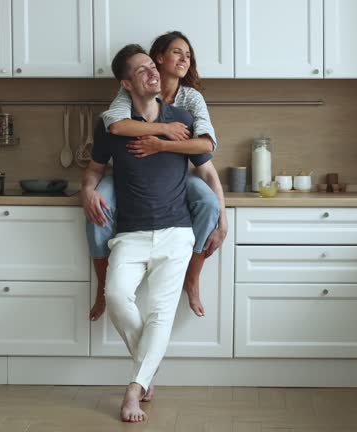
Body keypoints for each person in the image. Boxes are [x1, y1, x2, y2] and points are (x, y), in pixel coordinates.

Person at [81, 44, 225, 423]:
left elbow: (208, 171)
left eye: (152, 66)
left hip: (177, 233)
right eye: (141, 69)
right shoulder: (112, 124)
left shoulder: (182, 117)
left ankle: (133, 390)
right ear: (126, 83)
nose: (152, 72)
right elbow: (95, 168)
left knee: (161, 312)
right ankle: (148, 368)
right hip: (129, 234)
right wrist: (87, 189)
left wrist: (222, 213)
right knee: (115, 296)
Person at [88, 31, 226, 320]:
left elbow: (206, 146)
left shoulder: (190, 100)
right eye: (177, 52)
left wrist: (163, 145)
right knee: (98, 206)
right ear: (158, 59)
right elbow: (115, 126)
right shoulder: (130, 91)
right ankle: (105, 287)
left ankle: (192, 277)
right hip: (127, 174)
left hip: (179, 175)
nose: (184, 59)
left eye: (188, 55)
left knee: (209, 205)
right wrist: (161, 129)